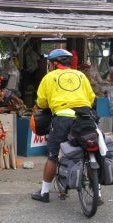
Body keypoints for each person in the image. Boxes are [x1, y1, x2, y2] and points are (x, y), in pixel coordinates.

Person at [31, 49, 96, 203]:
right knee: (90, 149)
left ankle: (44, 193)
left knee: (53, 155)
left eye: (49, 64)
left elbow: (41, 102)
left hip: (62, 118)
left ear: (54, 64)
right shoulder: (81, 75)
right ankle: (96, 192)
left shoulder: (49, 77)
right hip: (85, 116)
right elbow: (91, 98)